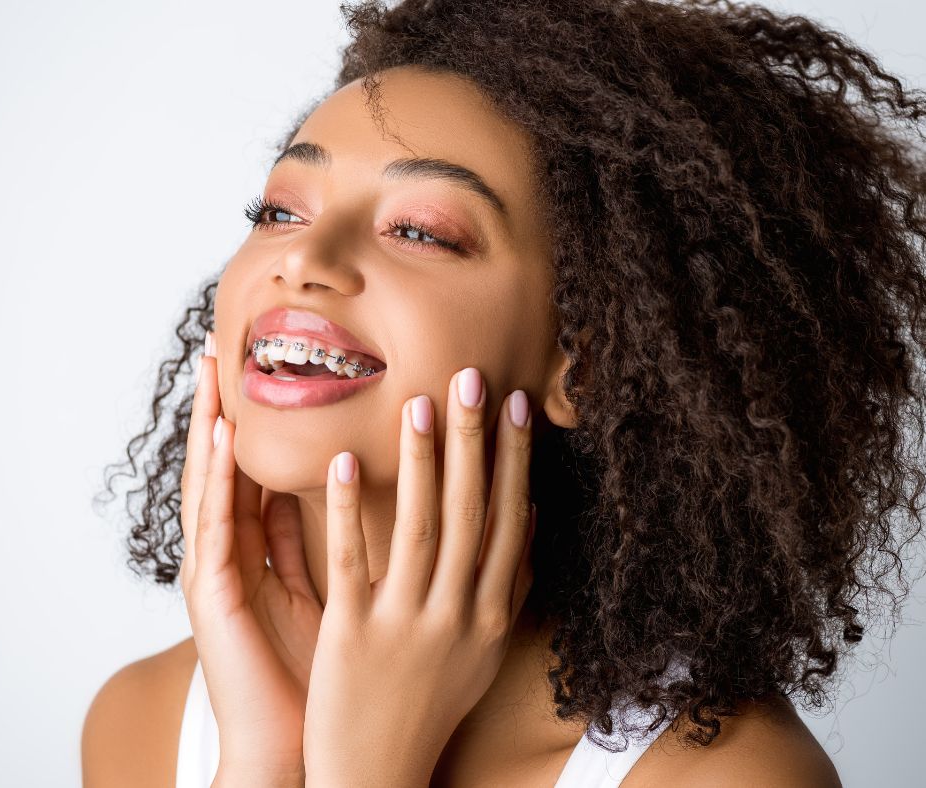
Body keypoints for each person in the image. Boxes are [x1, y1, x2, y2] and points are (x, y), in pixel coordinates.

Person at [81, 0, 926, 785]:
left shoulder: (725, 775)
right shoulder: (143, 725)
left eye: (418, 230)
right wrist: (263, 761)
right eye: (278, 212)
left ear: (584, 359)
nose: (301, 259)